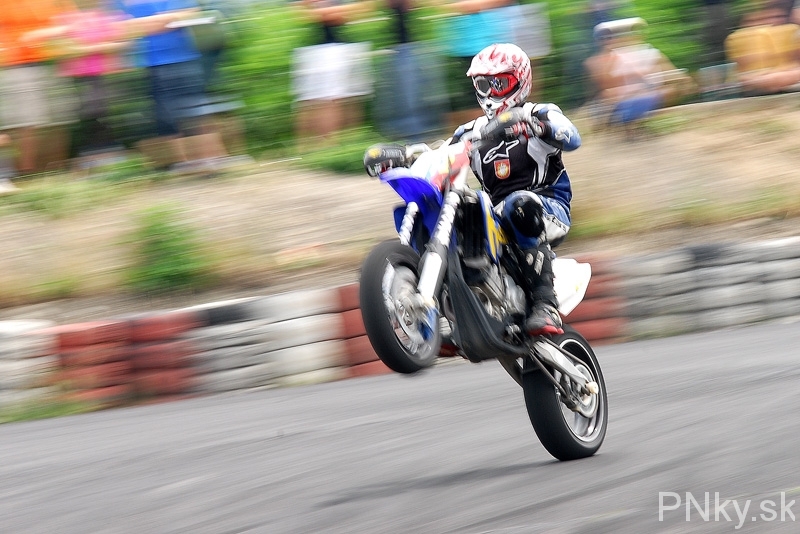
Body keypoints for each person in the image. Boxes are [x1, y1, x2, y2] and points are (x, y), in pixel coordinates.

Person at [365, 43, 581, 335]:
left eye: (499, 84)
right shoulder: (469, 131)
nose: (491, 93)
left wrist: (535, 126)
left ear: (520, 81)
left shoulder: (537, 113)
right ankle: (445, 310)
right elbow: (442, 155)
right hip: (497, 214)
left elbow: (572, 136)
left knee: (519, 204)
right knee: (455, 213)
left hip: (547, 208)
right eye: (483, 85)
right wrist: (403, 158)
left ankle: (546, 304)